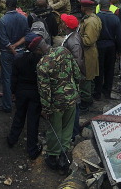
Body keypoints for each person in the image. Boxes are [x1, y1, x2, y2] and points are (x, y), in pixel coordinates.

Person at [36, 35, 80, 173]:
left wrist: (46, 108)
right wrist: (75, 89)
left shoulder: (43, 64)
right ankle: (63, 156)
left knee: (54, 130)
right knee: (67, 127)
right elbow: (76, 73)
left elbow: (44, 90)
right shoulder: (64, 51)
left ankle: (53, 157)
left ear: (38, 49)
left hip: (56, 103)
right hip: (71, 97)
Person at [6, 33, 43, 160]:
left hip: (21, 92)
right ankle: (32, 149)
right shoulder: (40, 59)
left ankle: (12, 139)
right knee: (33, 121)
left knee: (19, 116)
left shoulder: (18, 59)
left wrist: (13, 92)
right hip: (35, 93)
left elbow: (14, 78)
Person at [0, 0, 29, 113]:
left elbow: (4, 40)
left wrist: (13, 50)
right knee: (20, 78)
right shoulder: (23, 18)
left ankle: (7, 105)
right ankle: (19, 103)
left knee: (6, 79)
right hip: (21, 52)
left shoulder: (3, 20)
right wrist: (17, 48)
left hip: (8, 54)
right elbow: (26, 35)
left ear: (6, 5)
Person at [94, 0, 121, 100]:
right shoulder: (115, 18)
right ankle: (107, 91)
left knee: (99, 69)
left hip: (99, 45)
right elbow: (119, 36)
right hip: (111, 46)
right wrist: (119, 50)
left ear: (100, 6)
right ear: (109, 6)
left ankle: (97, 93)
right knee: (109, 70)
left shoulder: (97, 17)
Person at [78, 0, 101, 110]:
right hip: (88, 52)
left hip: (88, 53)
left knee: (87, 77)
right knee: (89, 76)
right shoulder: (90, 19)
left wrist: (76, 39)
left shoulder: (90, 22)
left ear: (84, 8)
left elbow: (88, 40)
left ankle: (86, 102)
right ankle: (88, 98)